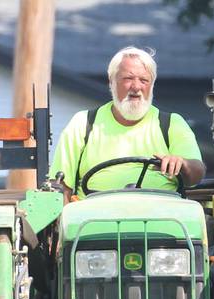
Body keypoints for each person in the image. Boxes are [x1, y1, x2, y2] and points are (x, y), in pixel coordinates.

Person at [50, 47, 205, 202]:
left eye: (144, 80)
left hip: (161, 219)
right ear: (111, 81)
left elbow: (196, 174)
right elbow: (61, 187)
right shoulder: (83, 123)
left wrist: (182, 163)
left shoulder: (172, 124)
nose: (136, 87)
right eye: (128, 79)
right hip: (96, 220)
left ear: (152, 85)